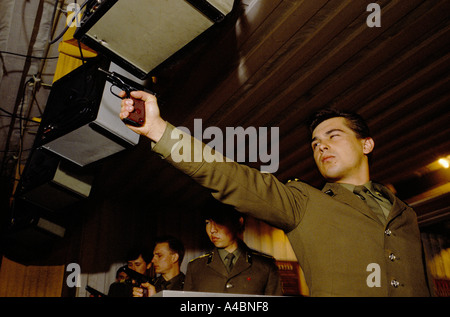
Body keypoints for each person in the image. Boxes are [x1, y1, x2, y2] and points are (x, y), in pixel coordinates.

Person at [119, 91, 432, 296]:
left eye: (333, 136)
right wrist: (158, 130)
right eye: (315, 143)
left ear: (366, 144)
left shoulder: (406, 214)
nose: (321, 145)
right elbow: (235, 179)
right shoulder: (305, 202)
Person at [184, 199, 282, 295]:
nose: (212, 230)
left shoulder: (266, 266)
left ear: (239, 222)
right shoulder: (195, 267)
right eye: (207, 223)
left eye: (219, 221)